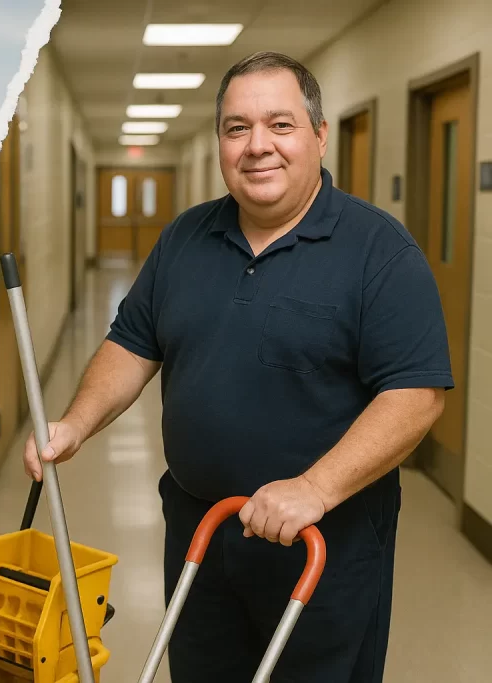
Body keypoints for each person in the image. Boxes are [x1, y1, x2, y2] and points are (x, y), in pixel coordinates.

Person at [22, 51, 452, 682]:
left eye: (280, 125)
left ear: (318, 135)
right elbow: (133, 341)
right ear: (221, 141)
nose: (258, 147)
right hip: (200, 534)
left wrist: (314, 489)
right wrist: (76, 424)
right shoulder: (185, 238)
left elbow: (416, 397)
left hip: (321, 546)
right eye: (237, 128)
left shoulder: (379, 253)